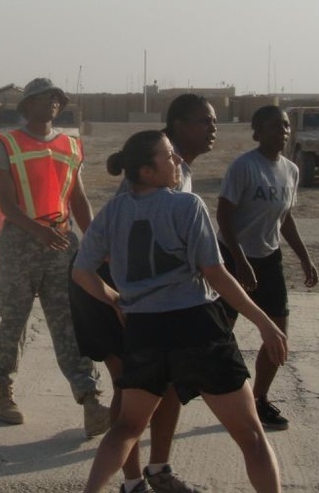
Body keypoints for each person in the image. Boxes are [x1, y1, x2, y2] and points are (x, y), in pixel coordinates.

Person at [72, 130, 288, 493]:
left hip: (143, 331)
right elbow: (216, 275)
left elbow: (81, 272)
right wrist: (264, 322)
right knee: (250, 435)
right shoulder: (187, 206)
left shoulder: (113, 211)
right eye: (168, 156)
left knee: (126, 428)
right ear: (146, 171)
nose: (177, 162)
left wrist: (116, 299)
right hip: (197, 327)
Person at [69, 94, 217, 493]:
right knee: (130, 389)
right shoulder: (153, 172)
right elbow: (120, 254)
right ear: (179, 126)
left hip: (136, 290)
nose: (213, 129)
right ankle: (132, 482)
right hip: (108, 289)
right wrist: (120, 301)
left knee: (167, 383)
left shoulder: (176, 171)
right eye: (204, 121)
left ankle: (158, 470)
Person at [0, 77, 110, 437]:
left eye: (56, 98)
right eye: (44, 98)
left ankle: (90, 400)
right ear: (26, 106)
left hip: (61, 243)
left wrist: (95, 242)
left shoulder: (71, 145)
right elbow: (6, 202)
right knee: (14, 321)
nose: (53, 103)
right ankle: (2, 390)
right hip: (20, 242)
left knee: (70, 322)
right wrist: (38, 231)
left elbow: (78, 200)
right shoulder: (6, 143)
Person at [216, 104, 319, 431]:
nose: (283, 132)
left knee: (277, 336)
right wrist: (241, 261)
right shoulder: (244, 167)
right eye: (275, 127)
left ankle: (258, 399)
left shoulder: (291, 170)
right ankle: (193, 394)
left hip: (268, 260)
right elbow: (224, 217)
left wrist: (304, 257)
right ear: (258, 133)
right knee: (217, 335)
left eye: (286, 126)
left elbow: (285, 218)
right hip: (232, 258)